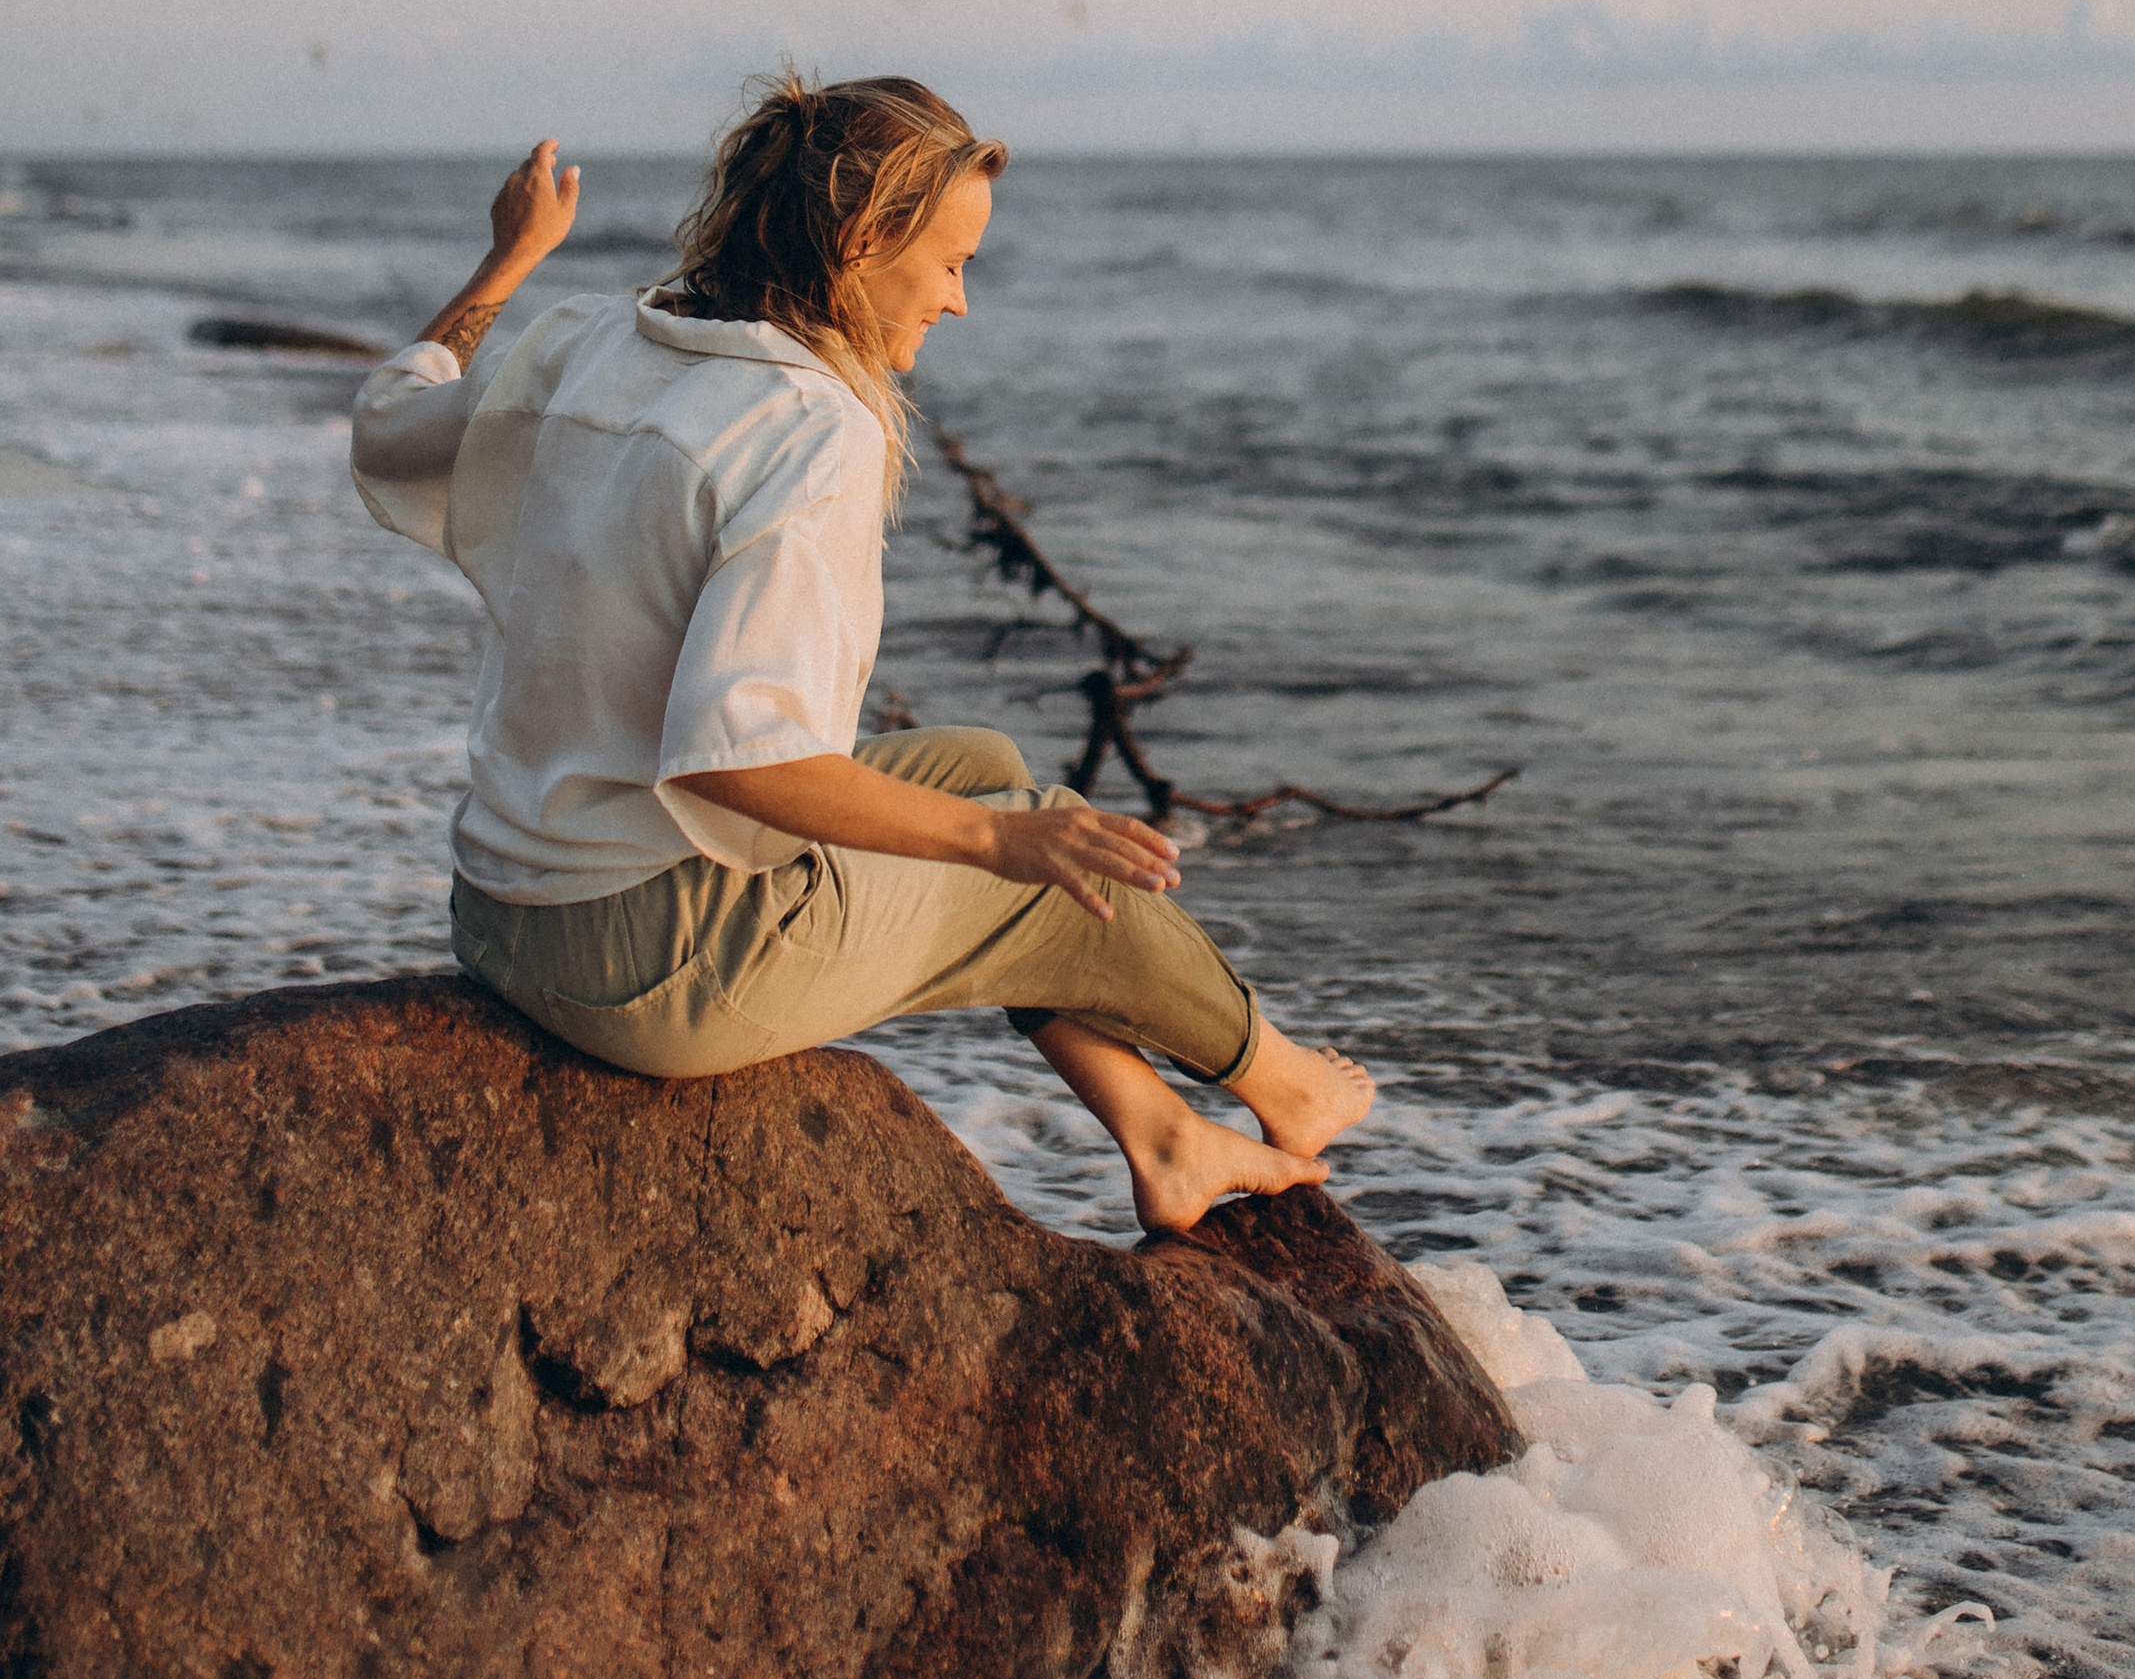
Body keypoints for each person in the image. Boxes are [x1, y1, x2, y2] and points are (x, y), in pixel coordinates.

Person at [348, 73, 1373, 1233]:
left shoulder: (587, 338)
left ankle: (1166, 1136)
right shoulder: (804, 427)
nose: (958, 302)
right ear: (858, 241)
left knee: (981, 758)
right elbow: (742, 766)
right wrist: (1001, 841)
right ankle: (1287, 1088)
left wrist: (510, 256)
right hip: (648, 965)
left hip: (499, 906)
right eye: (950, 264)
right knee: (1039, 874)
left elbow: (388, 420)